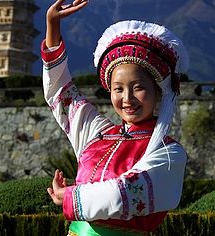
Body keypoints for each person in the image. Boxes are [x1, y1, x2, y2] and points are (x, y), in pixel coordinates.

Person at [42, 0, 189, 235]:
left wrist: (70, 195)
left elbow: (126, 192)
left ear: (158, 91)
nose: (127, 98)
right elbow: (61, 92)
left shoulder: (168, 153)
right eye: (118, 89)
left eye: (138, 87)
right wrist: (52, 26)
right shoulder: (97, 135)